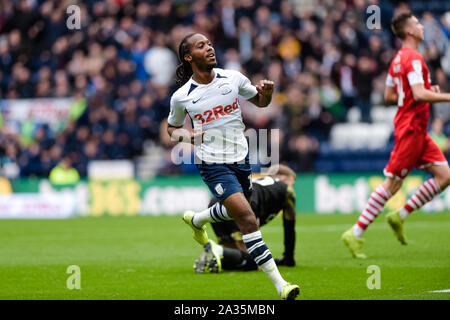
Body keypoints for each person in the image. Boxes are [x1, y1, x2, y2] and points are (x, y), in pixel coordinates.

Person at [166, 33, 300, 300]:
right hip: (212, 163)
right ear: (189, 57)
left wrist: (268, 95)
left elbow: (260, 103)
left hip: (241, 158)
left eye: (210, 43)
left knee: (237, 209)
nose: (210, 48)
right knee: (247, 218)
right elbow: (171, 128)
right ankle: (281, 285)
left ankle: (198, 218)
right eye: (201, 46)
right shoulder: (182, 96)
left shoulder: (233, 78)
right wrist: (189, 136)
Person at [342, 12, 450, 259]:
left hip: (418, 129)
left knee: (445, 176)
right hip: (411, 128)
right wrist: (443, 95)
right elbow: (419, 95)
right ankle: (355, 232)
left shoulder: (398, 60)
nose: (422, 26)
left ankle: (399, 215)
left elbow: (390, 96)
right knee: (393, 184)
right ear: (410, 31)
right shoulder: (413, 59)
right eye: (417, 23)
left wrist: (421, 92)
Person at [193, 164, 297, 273]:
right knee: (256, 261)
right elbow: (289, 227)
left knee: (237, 260)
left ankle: (215, 256)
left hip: (217, 202)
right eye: (292, 182)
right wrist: (289, 258)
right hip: (242, 207)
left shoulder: (259, 182)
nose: (292, 186)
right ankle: (219, 251)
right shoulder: (287, 190)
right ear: (284, 178)